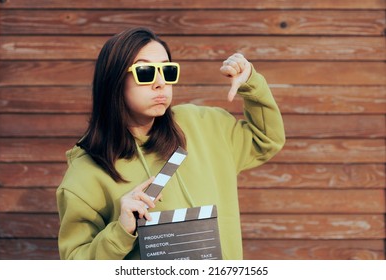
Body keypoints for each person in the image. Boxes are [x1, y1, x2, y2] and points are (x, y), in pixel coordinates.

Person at [56, 27, 285, 260]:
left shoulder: (205, 124)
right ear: (114, 80)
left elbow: (266, 139)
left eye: (167, 70)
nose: (160, 83)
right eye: (144, 72)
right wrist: (121, 231)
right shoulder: (86, 172)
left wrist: (251, 84)